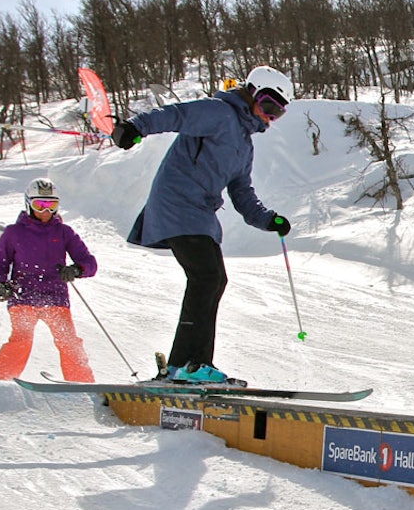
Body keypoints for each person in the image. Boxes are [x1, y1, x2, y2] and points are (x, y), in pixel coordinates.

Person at [111, 65, 294, 384]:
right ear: (251, 92)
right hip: (176, 203)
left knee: (213, 280)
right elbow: (176, 115)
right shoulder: (218, 112)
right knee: (208, 277)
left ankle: (189, 365)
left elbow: (242, 193)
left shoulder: (244, 145)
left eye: (277, 112)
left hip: (199, 213)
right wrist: (134, 127)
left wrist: (268, 219)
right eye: (267, 105)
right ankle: (187, 365)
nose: (269, 115)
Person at [0, 178, 98, 382]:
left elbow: (89, 262)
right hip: (23, 296)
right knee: (22, 340)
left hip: (54, 297)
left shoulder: (64, 232)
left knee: (68, 341)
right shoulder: (14, 232)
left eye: (51, 205)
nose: (46, 211)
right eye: (40, 205)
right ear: (28, 204)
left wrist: (76, 270)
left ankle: (83, 384)